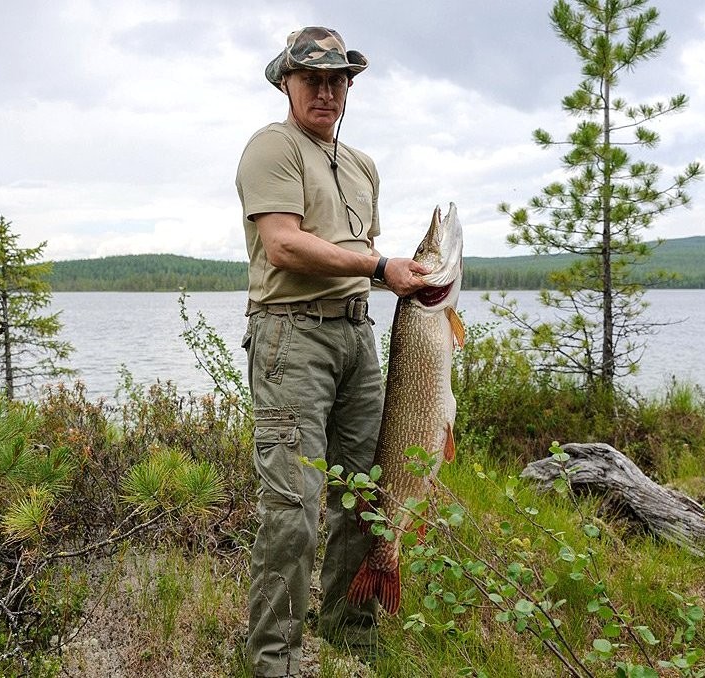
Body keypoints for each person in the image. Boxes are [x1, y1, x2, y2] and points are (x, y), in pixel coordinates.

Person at [235, 26, 429, 677]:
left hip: (358, 338)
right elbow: (285, 245)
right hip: (292, 338)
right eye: (311, 78)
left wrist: (391, 275)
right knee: (292, 509)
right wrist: (380, 267)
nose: (325, 90)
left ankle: (349, 634)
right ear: (285, 82)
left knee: (364, 496)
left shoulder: (361, 165)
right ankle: (274, 659)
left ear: (349, 86)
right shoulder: (273, 148)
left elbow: (353, 254)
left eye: (337, 79)